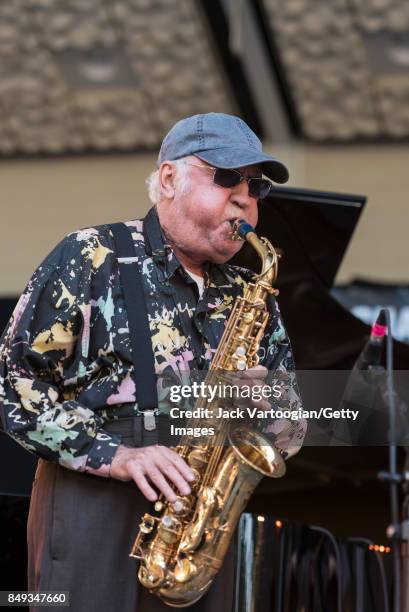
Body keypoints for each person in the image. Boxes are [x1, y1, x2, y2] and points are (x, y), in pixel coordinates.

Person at [0, 112, 306, 611]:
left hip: (199, 522)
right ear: (169, 178)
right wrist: (118, 457)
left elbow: (292, 429)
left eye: (257, 188)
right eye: (228, 178)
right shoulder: (90, 256)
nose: (245, 199)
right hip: (93, 501)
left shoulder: (251, 291)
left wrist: (266, 402)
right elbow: (13, 389)